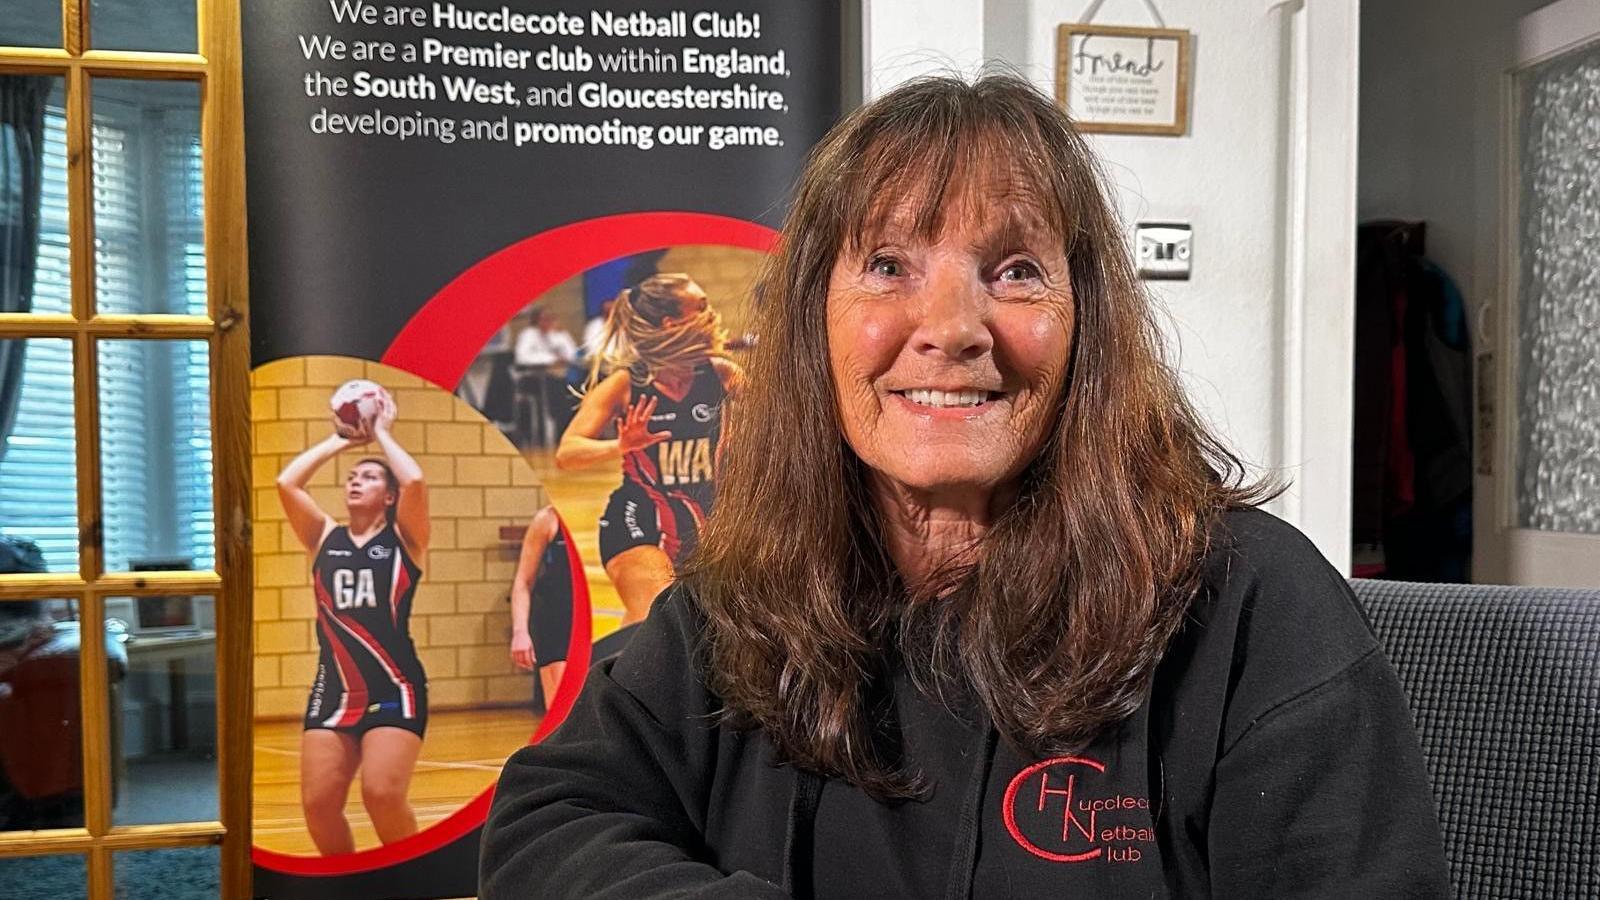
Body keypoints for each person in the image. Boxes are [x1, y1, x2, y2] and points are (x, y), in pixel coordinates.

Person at [481, 74, 1451, 898]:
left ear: (1087, 328)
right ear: (815, 323)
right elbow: (546, 824)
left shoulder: (1251, 603)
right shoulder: (747, 598)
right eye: (888, 264)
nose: (950, 326)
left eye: (1016, 270)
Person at [277, 392, 430, 856]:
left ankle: (411, 880)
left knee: (381, 794)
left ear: (388, 497)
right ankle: (350, 884)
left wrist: (381, 431)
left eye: (368, 476)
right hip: (335, 689)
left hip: (394, 686)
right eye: (350, 477)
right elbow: (287, 483)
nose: (354, 482)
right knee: (318, 806)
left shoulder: (406, 539)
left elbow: (416, 480)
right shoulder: (324, 536)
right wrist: (341, 439)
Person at [553, 273, 743, 627]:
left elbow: (783, 428)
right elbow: (566, 452)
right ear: (673, 323)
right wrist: (621, 445)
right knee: (657, 616)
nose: (713, 314)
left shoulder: (722, 374)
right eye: (701, 307)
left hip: (709, 523)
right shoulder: (626, 384)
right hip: (638, 518)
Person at [508, 505, 573, 706]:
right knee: (561, 709)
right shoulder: (548, 518)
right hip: (557, 621)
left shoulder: (612, 511)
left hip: (600, 622)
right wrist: (520, 632)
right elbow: (523, 581)